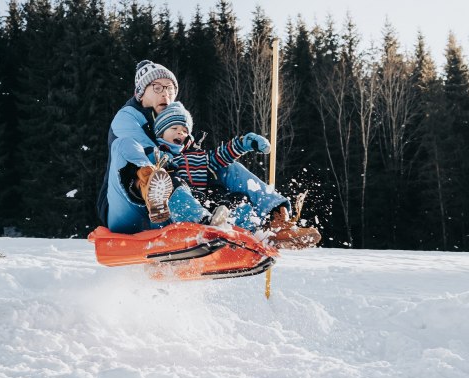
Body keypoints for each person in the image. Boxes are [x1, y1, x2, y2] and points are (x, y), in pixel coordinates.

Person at [96, 60, 320, 249]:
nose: (166, 93)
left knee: (225, 168)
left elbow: (211, 159)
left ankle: (274, 220)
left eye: (170, 89)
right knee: (129, 147)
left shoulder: (181, 132)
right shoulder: (127, 117)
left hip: (170, 210)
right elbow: (153, 156)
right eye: (157, 87)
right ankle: (156, 188)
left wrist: (239, 145)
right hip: (128, 207)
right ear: (140, 93)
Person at [152, 101, 321, 249]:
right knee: (173, 185)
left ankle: (257, 233)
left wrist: (243, 144)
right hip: (183, 210)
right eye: (174, 128)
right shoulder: (157, 155)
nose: (180, 133)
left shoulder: (199, 156)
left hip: (208, 203)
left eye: (184, 130)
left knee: (237, 198)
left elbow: (221, 156)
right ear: (160, 133)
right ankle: (203, 224)